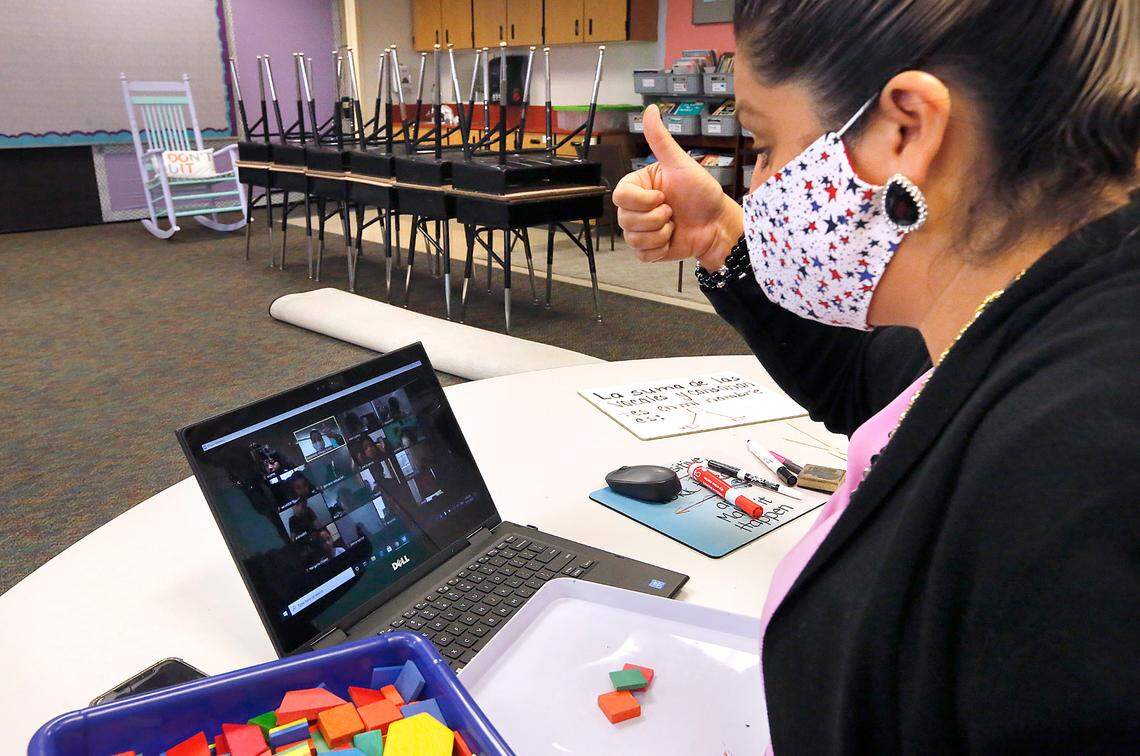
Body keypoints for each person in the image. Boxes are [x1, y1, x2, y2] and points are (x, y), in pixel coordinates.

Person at [614, 0, 1138, 750]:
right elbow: (874, 387)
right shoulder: (1030, 307)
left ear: (907, 130)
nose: (758, 188)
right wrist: (723, 239)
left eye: (762, 145)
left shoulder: (1078, 468)